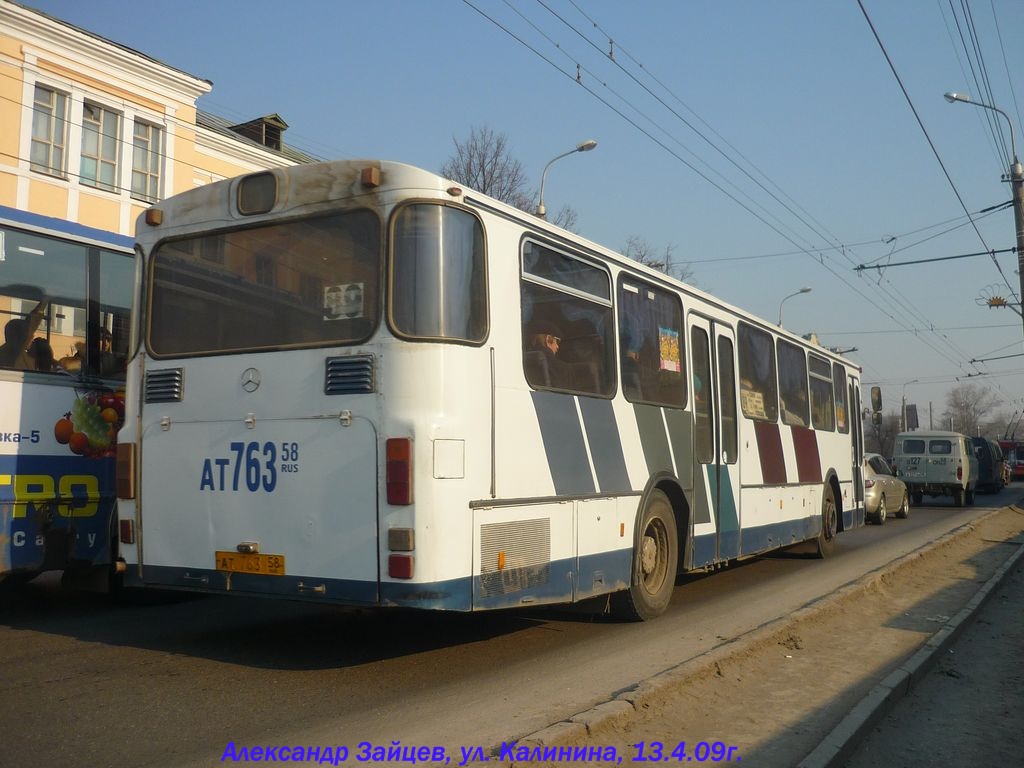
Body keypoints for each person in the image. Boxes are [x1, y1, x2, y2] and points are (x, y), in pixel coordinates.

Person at [0, 299, 48, 370]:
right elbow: (33, 319)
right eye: (29, 333)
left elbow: (32, 320)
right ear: (20, 336)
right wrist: (46, 300)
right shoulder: (19, 355)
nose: (32, 337)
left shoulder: (4, 351)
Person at [525, 320, 572, 389]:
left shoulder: (527, 359)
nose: (557, 346)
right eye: (557, 341)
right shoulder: (549, 360)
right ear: (548, 339)